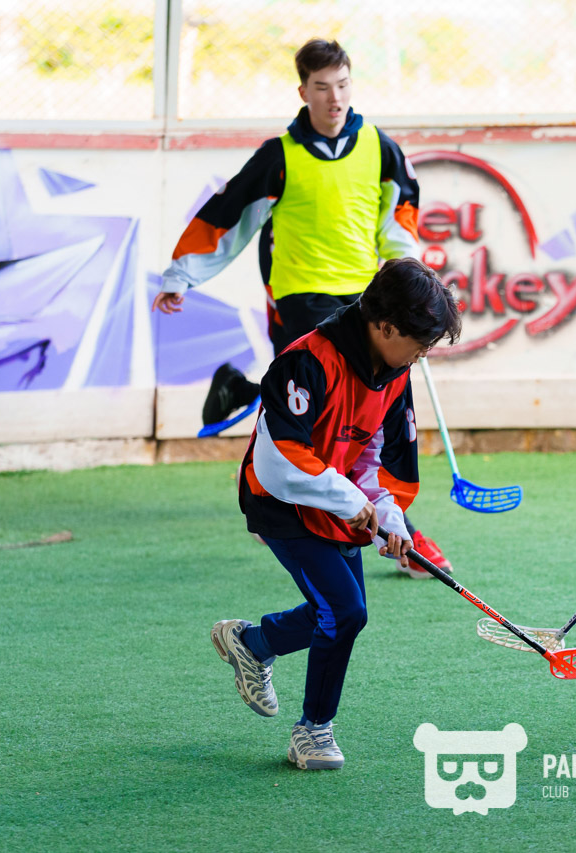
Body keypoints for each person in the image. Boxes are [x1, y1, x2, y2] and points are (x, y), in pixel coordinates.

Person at [152, 38, 453, 574]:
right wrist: (182, 275)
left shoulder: (380, 148)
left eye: (343, 85)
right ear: (303, 92)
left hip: (370, 300)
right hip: (301, 299)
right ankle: (289, 508)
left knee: (379, 416)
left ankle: (397, 524)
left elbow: (400, 213)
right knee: (316, 416)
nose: (335, 98)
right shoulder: (279, 156)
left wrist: (408, 276)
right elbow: (229, 214)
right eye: (322, 87)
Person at [210, 257, 461, 770]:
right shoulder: (306, 361)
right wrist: (354, 503)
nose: (423, 354)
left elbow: (377, 461)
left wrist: (390, 517)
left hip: (338, 505)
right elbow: (282, 459)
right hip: (278, 501)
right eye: (420, 342)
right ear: (385, 326)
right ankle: (313, 731)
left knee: (339, 612)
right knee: (346, 612)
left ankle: (252, 643)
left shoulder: (396, 372)